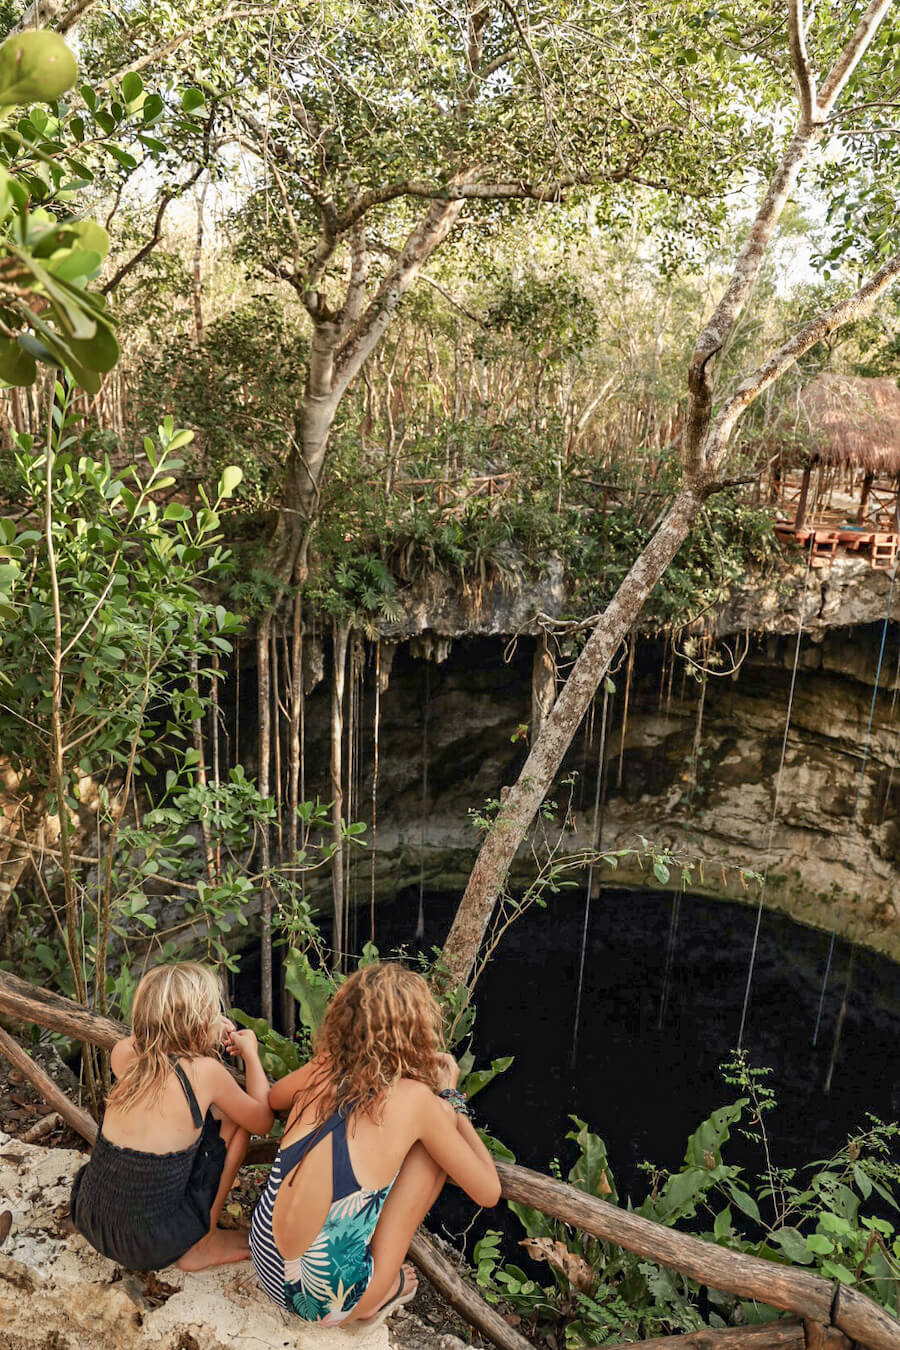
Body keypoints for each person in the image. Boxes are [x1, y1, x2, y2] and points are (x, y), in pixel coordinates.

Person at [250, 960, 501, 1326]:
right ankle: (382, 1289)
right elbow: (488, 1191)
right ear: (416, 1033)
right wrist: (451, 1099)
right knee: (435, 1144)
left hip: (265, 1260)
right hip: (321, 1304)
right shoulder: (415, 1100)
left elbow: (274, 1099)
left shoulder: (324, 1065)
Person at [71, 961, 273, 1271]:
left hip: (91, 1216)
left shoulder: (124, 1053)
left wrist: (203, 1028)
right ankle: (203, 1242)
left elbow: (167, 1062)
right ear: (200, 1024)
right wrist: (250, 1054)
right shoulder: (205, 1073)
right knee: (237, 1123)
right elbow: (262, 1120)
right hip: (149, 1245)